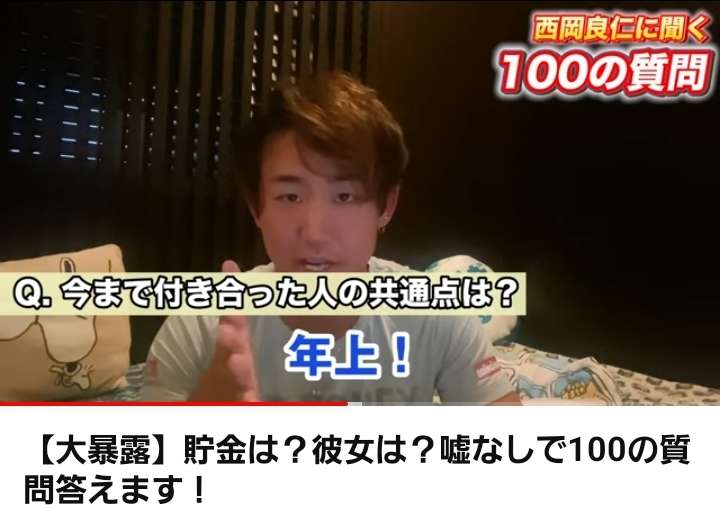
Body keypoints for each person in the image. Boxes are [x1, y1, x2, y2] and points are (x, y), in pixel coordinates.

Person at [141, 72, 520, 404]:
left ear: (386, 206)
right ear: (257, 207)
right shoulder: (200, 324)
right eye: (290, 197)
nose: (315, 232)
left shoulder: (435, 315)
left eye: (345, 196)